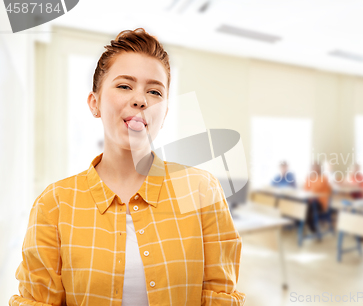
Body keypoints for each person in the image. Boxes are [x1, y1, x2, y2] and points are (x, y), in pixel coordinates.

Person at [10, 28, 245, 306]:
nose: (140, 99)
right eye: (124, 86)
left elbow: (221, 296)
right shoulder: (54, 205)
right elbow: (36, 301)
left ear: (164, 112)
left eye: (154, 91)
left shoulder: (202, 191)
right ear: (94, 103)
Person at [303, 163, 332, 233]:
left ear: (319, 169)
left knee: (307, 207)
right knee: (302, 205)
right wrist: (309, 178)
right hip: (312, 201)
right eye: (312, 168)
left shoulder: (323, 178)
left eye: (315, 168)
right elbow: (305, 189)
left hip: (321, 203)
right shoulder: (309, 178)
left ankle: (312, 227)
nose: (313, 170)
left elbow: (315, 190)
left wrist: (310, 179)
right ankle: (305, 224)